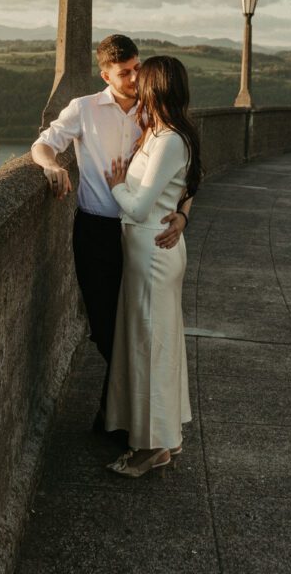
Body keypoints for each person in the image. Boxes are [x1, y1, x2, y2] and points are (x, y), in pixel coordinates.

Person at [30, 35, 190, 434]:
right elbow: (44, 144)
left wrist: (184, 216)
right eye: (125, 72)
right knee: (105, 330)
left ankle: (116, 419)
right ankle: (120, 414)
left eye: (138, 68)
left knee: (135, 330)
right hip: (97, 232)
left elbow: (187, 177)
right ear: (106, 74)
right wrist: (52, 167)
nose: (135, 77)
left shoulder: (155, 112)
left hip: (141, 233)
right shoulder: (83, 109)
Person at [103, 55, 201, 478]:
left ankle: (151, 447)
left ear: (156, 87)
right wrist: (180, 213)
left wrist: (116, 187)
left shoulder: (170, 140)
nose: (134, 84)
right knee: (151, 345)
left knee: (151, 350)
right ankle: (162, 438)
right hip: (147, 255)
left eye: (141, 79)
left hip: (154, 257)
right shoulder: (157, 132)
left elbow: (140, 207)